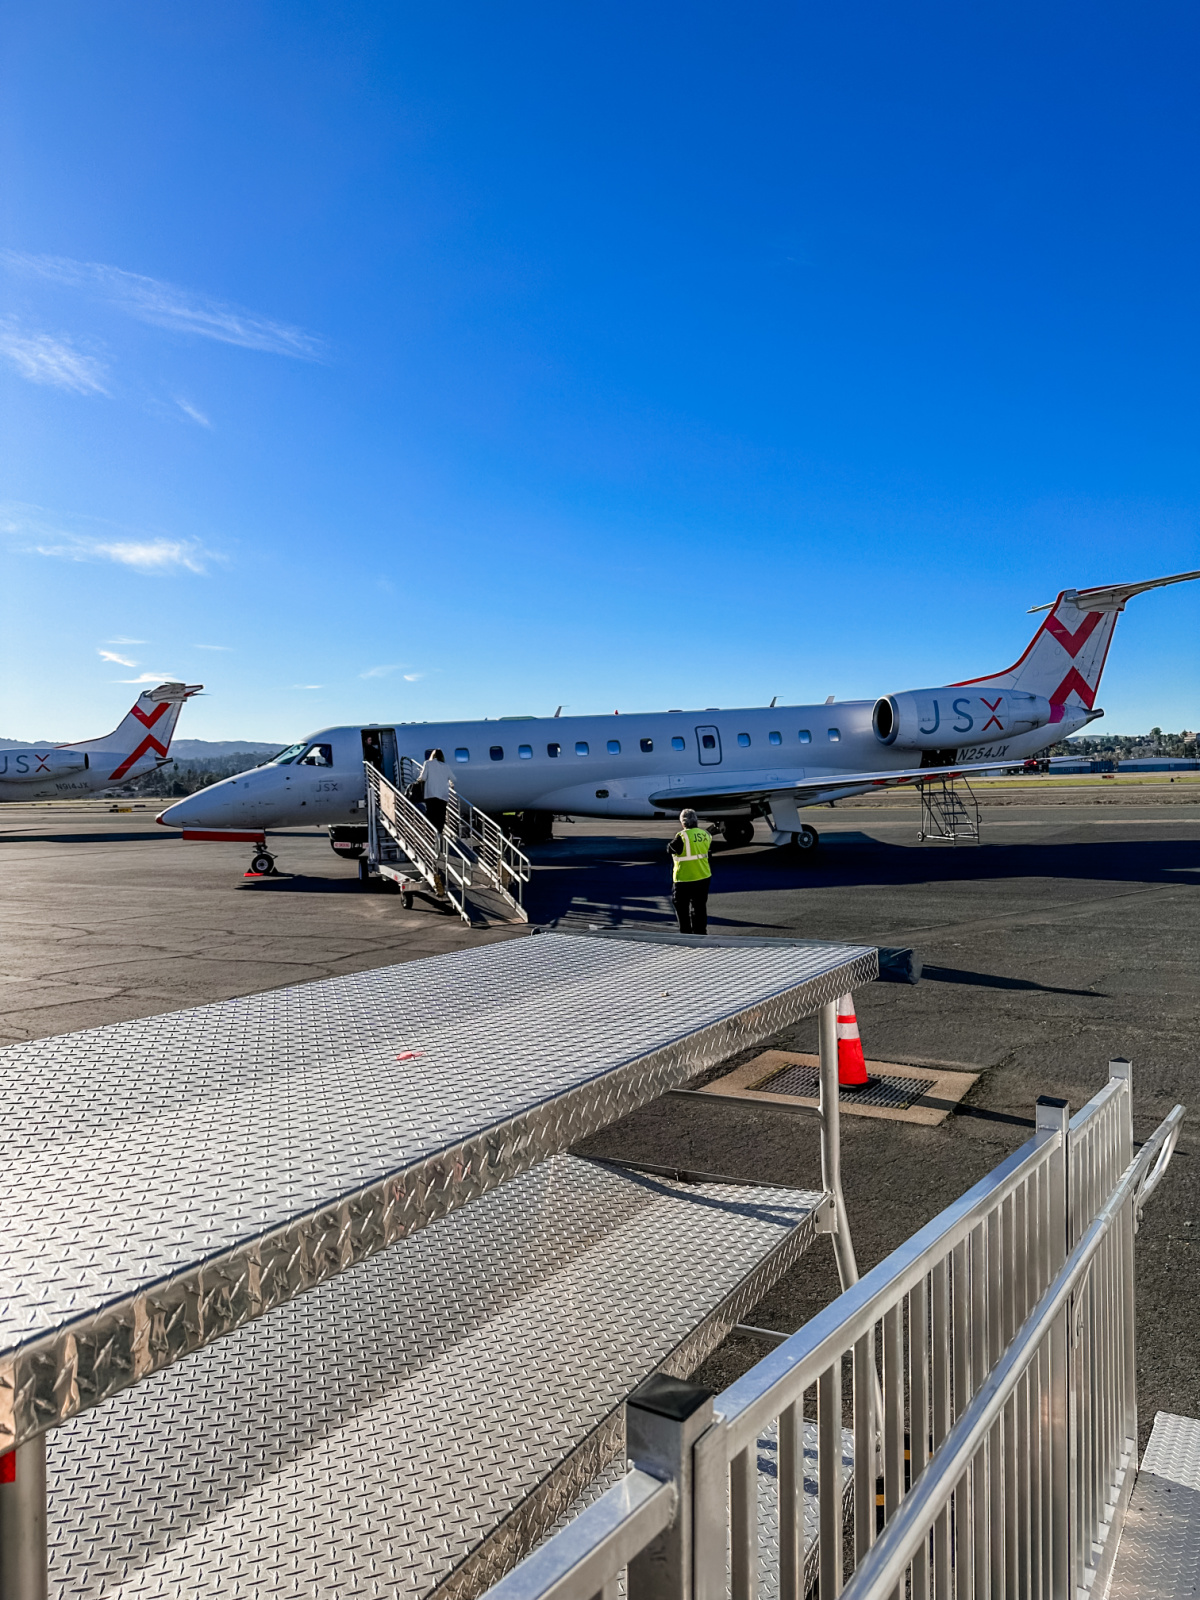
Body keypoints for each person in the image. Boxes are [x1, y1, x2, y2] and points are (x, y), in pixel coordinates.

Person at [668, 808, 713, 934]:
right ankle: (701, 933)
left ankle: (686, 934)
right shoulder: (705, 835)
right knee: (699, 908)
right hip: (703, 876)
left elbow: (670, 849)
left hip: (684, 878)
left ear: (683, 823)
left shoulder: (682, 836)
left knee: (682, 909)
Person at [418, 748, 452, 834]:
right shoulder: (445, 766)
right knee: (441, 815)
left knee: (431, 814)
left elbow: (423, 777)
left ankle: (431, 834)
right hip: (443, 795)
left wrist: (419, 779)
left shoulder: (428, 763)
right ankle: (439, 833)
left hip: (431, 794)